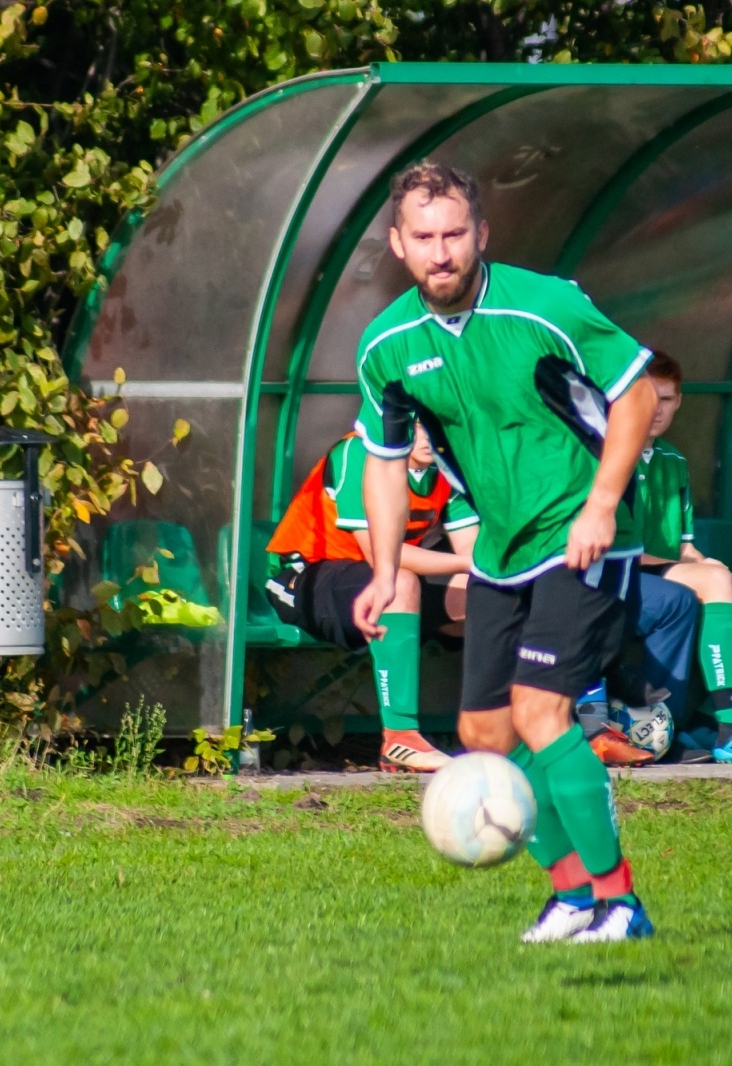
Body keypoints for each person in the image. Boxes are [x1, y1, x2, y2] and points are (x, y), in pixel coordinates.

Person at [351, 160, 657, 943]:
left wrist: (602, 503)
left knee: (541, 713)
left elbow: (638, 392)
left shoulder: (545, 306)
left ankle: (621, 905)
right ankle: (569, 896)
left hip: (579, 532)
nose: (441, 251)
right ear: (398, 244)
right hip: (499, 549)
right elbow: (385, 464)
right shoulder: (387, 345)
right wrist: (386, 572)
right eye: (424, 237)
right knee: (487, 737)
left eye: (455, 233)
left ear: (481, 233)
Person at [264, 425, 475, 772]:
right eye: (415, 423)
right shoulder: (360, 454)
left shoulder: (449, 465)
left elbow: (473, 549)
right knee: (399, 582)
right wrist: (471, 564)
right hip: (301, 578)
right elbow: (382, 557)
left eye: (432, 421)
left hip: (375, 584)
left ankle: (506, 733)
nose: (426, 435)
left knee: (488, 596)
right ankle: (400, 736)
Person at [633, 351, 732, 763]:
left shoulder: (673, 461)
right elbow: (612, 548)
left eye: (668, 400)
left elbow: (686, 547)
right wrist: (708, 576)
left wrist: (714, 568)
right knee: (712, 581)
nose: (658, 410)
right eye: (649, 398)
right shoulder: (603, 456)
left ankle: (725, 718)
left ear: (680, 402)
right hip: (620, 577)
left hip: (667, 575)